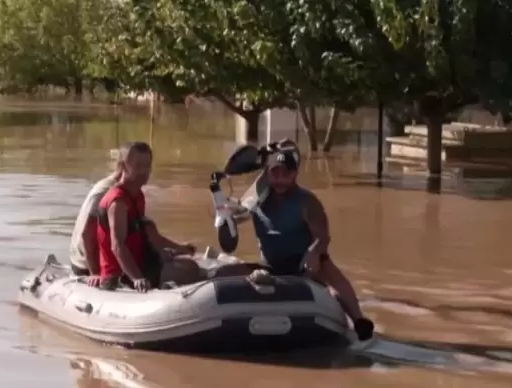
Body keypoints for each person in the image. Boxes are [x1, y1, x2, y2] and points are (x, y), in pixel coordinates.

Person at [223, 140, 375, 341]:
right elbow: (235, 219)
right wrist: (222, 211)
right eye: (275, 173)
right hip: (270, 265)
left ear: (295, 174)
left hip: (304, 263)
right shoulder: (255, 199)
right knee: (224, 272)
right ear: (268, 174)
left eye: (285, 174)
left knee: (327, 270)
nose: (280, 179)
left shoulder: (307, 202)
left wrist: (314, 252)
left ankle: (358, 320)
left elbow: (323, 238)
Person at [95, 141, 203, 292]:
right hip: (120, 276)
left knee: (191, 267)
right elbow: (117, 246)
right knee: (188, 272)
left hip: (141, 263)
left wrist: (180, 248)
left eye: (147, 165)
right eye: (138, 165)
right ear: (124, 166)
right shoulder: (118, 202)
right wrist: (137, 278)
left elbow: (148, 234)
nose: (144, 171)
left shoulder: (138, 195)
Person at [68, 169, 120, 278]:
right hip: (85, 265)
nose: (146, 172)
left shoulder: (128, 190)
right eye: (139, 166)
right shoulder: (108, 191)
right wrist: (95, 273)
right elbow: (86, 235)